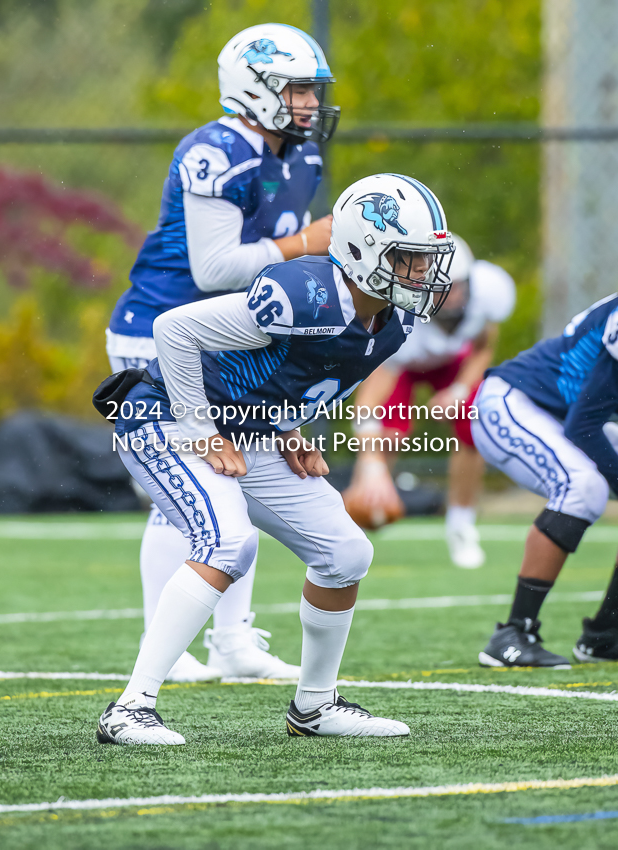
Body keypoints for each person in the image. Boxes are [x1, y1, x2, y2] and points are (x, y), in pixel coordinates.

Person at [95, 172, 455, 744]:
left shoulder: (395, 316)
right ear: (362, 250)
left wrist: (290, 428)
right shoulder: (302, 293)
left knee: (345, 551)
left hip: (250, 429)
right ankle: (129, 709)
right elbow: (175, 329)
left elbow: (301, 374)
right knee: (228, 542)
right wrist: (200, 430)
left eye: (426, 259)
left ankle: (315, 706)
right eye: (408, 258)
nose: (424, 274)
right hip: (165, 416)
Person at [105, 23, 340, 681]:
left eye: (312, 91)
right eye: (296, 90)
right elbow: (214, 269)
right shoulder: (216, 150)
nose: (309, 104)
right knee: (183, 492)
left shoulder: (302, 157)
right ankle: (171, 645)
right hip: (160, 333)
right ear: (254, 88)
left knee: (238, 476)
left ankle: (232, 641)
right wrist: (307, 246)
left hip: (228, 339)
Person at [472, 288, 618, 667]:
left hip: (562, 415)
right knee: (583, 488)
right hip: (513, 402)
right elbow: (585, 426)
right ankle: (513, 632)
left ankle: (607, 632)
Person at [342, 236, 516, 568]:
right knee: (386, 437)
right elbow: (369, 401)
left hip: (452, 364)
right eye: (441, 288)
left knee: (475, 424)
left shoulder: (488, 296)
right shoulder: (397, 316)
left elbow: (483, 347)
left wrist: (460, 391)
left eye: (457, 286)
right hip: (400, 366)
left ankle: (461, 524)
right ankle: (357, 517)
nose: (451, 296)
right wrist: (371, 465)